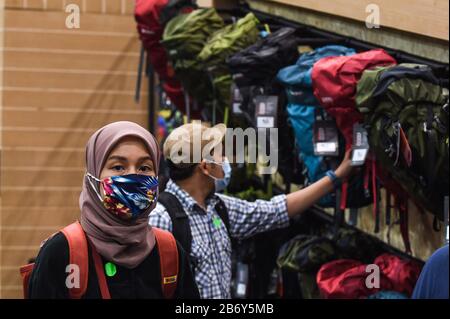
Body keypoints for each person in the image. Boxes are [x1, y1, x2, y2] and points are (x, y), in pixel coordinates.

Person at [150, 121, 353, 299]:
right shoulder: (162, 219)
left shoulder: (218, 207)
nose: (226, 161)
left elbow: (276, 210)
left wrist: (336, 177)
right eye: (220, 154)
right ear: (206, 167)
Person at [28, 121, 199, 299]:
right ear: (93, 176)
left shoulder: (169, 251)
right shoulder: (61, 252)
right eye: (118, 167)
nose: (133, 175)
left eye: (144, 168)